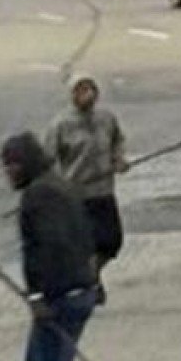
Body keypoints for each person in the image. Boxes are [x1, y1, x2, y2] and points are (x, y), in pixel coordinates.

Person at [2, 131, 99, 361]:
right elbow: (89, 236)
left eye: (12, 164)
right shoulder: (60, 185)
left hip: (61, 298)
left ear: (26, 162)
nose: (9, 172)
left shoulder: (39, 195)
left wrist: (40, 295)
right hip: (79, 290)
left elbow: (52, 245)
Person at [43, 75, 130, 286]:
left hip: (103, 191)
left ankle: (92, 272)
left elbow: (117, 140)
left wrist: (118, 160)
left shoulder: (106, 119)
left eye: (90, 89)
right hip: (77, 195)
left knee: (111, 242)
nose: (87, 94)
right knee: (85, 244)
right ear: (72, 95)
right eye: (80, 90)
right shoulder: (60, 125)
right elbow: (48, 160)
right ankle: (88, 281)